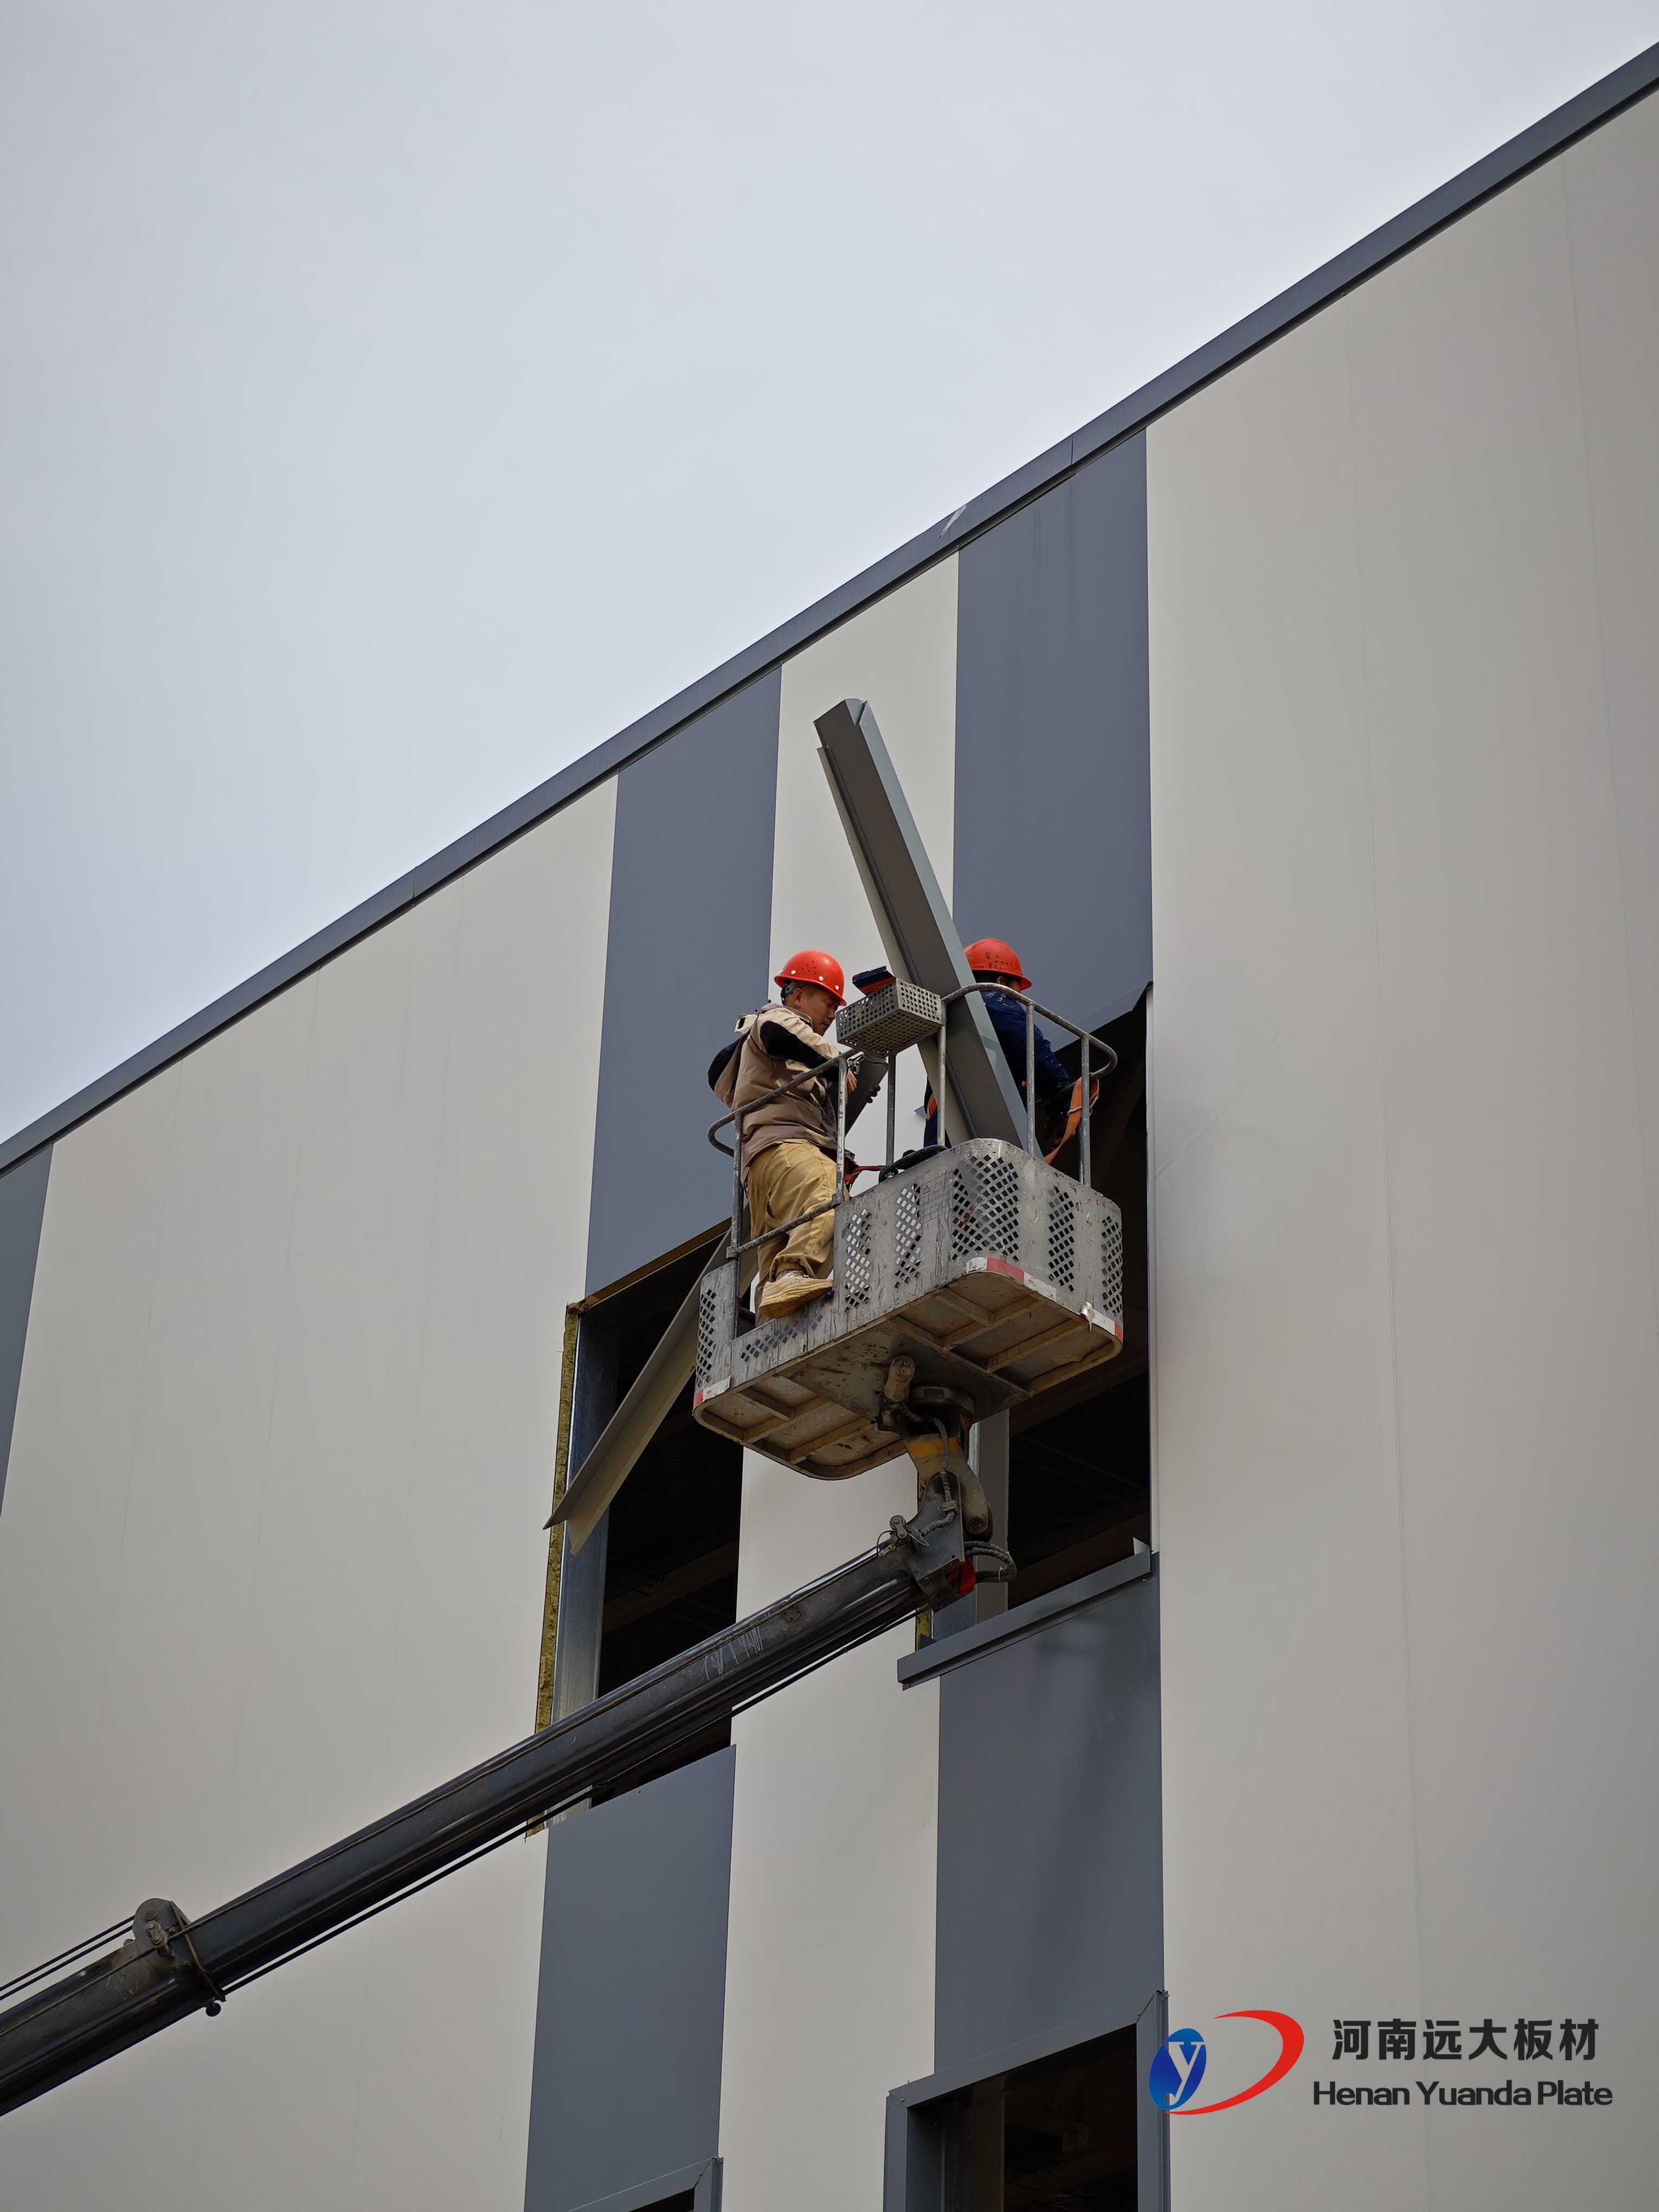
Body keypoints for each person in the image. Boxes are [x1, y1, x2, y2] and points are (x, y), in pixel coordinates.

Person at [708, 951, 886, 1321]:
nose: (832, 1015)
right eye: (828, 1002)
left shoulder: (778, 1060)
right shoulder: (778, 1019)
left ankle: (771, 1327)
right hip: (788, 1147)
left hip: (761, 1165)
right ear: (799, 996)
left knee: (773, 1249)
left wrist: (839, 1084)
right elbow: (777, 1032)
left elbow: (726, 1072)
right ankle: (794, 1273)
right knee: (833, 1200)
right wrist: (836, 1064)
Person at [923, 937, 1071, 1146]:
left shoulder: (953, 1018)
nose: (1019, 1001)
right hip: (979, 1128)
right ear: (1001, 982)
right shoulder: (996, 1002)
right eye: (1017, 993)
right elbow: (1034, 1054)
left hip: (940, 1137)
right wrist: (1063, 1104)